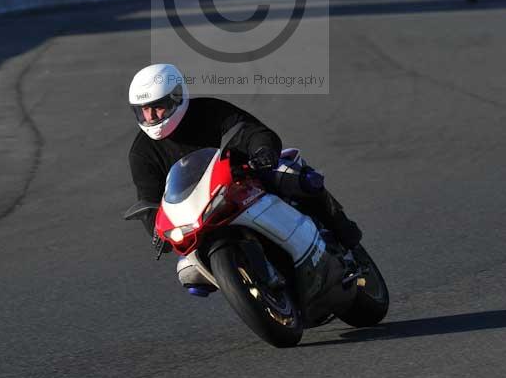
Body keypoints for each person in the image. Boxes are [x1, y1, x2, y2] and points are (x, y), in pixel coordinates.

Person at [127, 63, 362, 253]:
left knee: (296, 176)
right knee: (189, 273)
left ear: (176, 97)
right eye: (143, 110)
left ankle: (343, 230)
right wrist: (156, 231)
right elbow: (149, 200)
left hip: (241, 181)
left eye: (157, 107)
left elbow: (251, 130)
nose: (150, 117)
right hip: (198, 217)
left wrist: (263, 151)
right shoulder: (141, 152)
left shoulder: (209, 111)